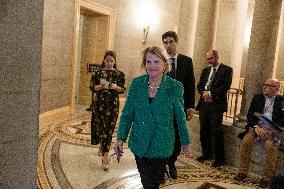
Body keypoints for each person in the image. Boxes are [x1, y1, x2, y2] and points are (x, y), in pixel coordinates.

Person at [114, 46, 191, 189]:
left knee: (152, 184)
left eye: (156, 62)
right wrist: (120, 138)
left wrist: (185, 142)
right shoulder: (137, 84)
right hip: (139, 142)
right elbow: (127, 114)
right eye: (148, 62)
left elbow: (180, 117)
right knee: (145, 181)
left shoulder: (175, 87)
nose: (152, 66)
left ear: (165, 65)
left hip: (161, 144)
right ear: (144, 64)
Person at [234, 78, 283, 189]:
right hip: (257, 127)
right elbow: (250, 115)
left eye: (268, 85)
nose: (264, 87)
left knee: (271, 146)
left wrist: (270, 129)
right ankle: (242, 172)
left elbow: (282, 120)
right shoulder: (258, 98)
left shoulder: (281, 100)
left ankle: (266, 178)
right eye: (264, 84)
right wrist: (256, 126)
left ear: (276, 89)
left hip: (273, 130)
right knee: (246, 141)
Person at [161, 31, 195, 180]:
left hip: (179, 107)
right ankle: (160, 166)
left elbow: (190, 85)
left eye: (171, 42)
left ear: (176, 42)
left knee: (176, 137)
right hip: (161, 108)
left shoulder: (186, 61)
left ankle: (172, 162)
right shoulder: (159, 60)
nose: (168, 45)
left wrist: (190, 106)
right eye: (165, 42)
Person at [196, 50, 233, 167]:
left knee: (216, 131)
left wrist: (211, 94)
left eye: (211, 58)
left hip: (216, 104)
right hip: (204, 104)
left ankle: (219, 159)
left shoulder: (226, 70)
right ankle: (206, 154)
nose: (209, 61)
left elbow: (225, 86)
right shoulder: (205, 70)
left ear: (217, 57)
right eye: (208, 59)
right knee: (204, 130)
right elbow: (200, 85)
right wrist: (204, 94)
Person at [89, 50, 125, 170]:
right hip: (99, 105)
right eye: (107, 60)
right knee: (99, 128)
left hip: (112, 106)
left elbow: (123, 89)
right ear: (104, 60)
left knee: (108, 130)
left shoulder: (119, 74)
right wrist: (99, 87)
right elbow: (92, 87)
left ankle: (105, 155)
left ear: (115, 62)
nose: (109, 63)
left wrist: (117, 88)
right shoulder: (98, 73)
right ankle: (101, 145)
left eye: (112, 61)